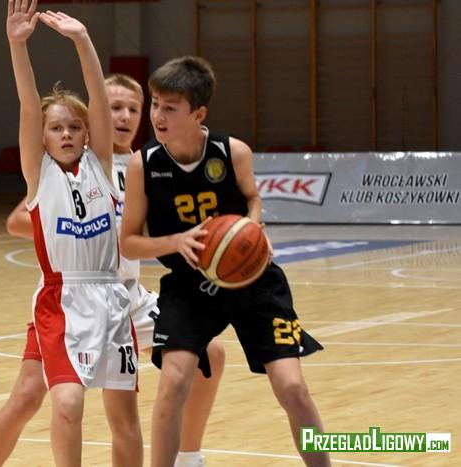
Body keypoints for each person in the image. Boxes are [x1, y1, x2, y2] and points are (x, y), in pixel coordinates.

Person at [0, 73, 225, 467]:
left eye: (133, 109)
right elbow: (17, 220)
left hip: (127, 297)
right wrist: (86, 230)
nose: (124, 116)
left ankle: (188, 458)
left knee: (209, 353)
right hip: (70, 295)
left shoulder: (150, 165)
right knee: (27, 396)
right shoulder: (80, 165)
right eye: (114, 108)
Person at [119, 56, 331, 467]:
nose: (157, 116)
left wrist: (252, 228)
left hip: (254, 283)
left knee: (293, 389)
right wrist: (177, 241)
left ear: (198, 114)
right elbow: (128, 243)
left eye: (170, 107)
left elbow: (253, 198)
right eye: (155, 104)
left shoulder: (233, 152)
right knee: (173, 382)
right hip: (189, 287)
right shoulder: (142, 165)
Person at [0, 2, 142, 466]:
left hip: (112, 298)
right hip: (62, 299)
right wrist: (17, 45)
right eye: (56, 128)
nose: (66, 134)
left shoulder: (101, 164)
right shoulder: (39, 176)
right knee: (69, 403)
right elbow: (27, 104)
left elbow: (98, 98)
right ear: (42, 137)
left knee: (126, 418)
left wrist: (83, 39)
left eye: (75, 127)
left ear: (87, 134)